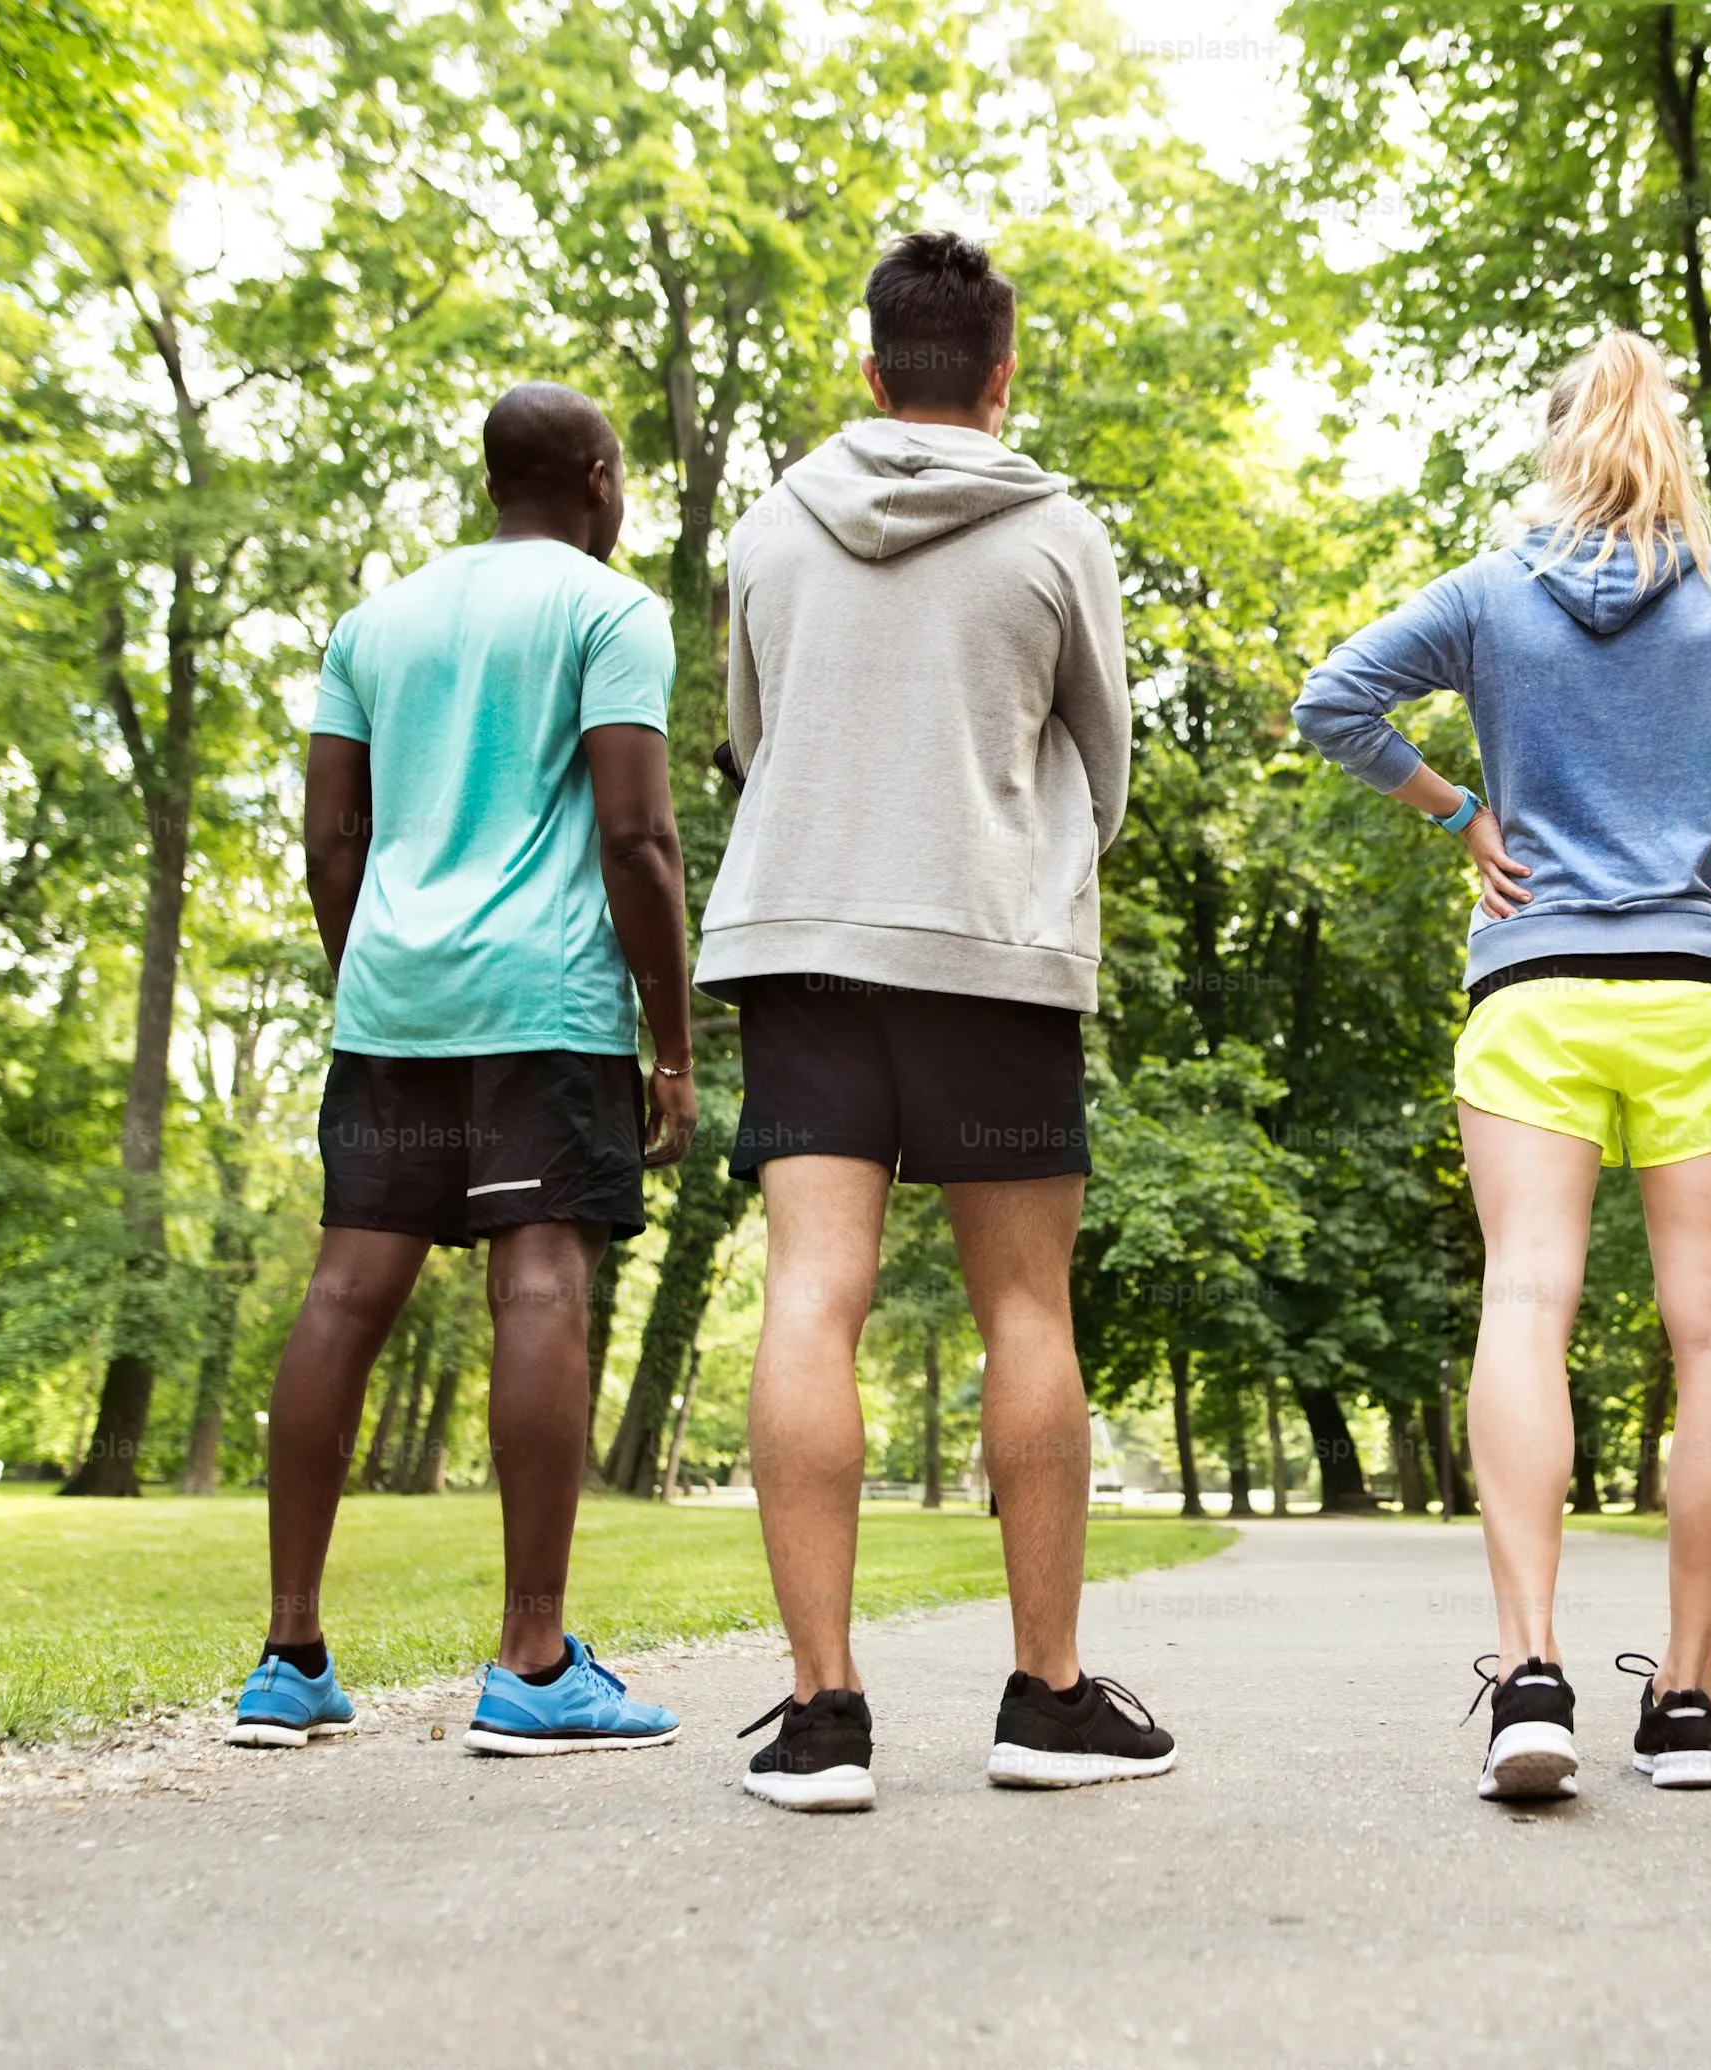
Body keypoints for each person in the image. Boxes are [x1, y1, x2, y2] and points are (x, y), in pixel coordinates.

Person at [1295, 331, 1711, 1801]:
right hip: (1699, 988)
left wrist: (1460, 814)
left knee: (1526, 1301)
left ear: (1556, 444)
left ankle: (1529, 1677)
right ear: (1673, 451)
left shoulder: (1490, 594)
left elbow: (1336, 701)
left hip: (1536, 989)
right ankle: (1690, 1703)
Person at [700, 230, 1167, 1813]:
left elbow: (751, 737)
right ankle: (1045, 1698)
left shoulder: (771, 530)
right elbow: (1103, 773)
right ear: (1003, 373)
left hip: (807, 946)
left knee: (810, 1297)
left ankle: (823, 1714)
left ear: (870, 362)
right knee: (1025, 1308)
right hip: (993, 954)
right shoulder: (1060, 538)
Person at [230, 382, 698, 1757]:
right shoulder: (610, 614)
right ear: (600, 481)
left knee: (341, 1294)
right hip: (541, 1001)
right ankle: (533, 1660)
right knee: (540, 1281)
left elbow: (331, 842)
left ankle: (289, 1653)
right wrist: (669, 1047)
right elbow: (638, 838)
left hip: (393, 1002)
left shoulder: (374, 624)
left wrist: (373, 971)